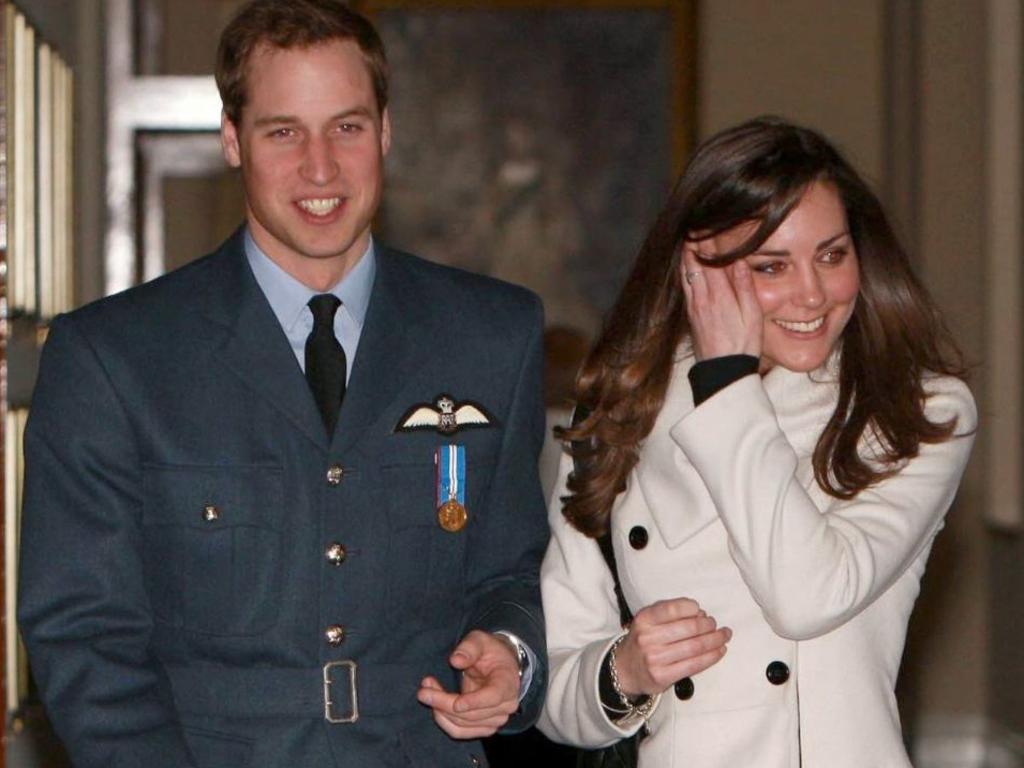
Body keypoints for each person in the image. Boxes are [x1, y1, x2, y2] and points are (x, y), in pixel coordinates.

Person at [17, 2, 549, 766]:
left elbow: (511, 571)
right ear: (232, 140)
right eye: (283, 132)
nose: (321, 167)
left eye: (348, 127)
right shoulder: (114, 358)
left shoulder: (492, 335)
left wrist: (509, 653)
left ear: (386, 130)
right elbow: (83, 638)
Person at [538, 117, 976, 767]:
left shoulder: (918, 411)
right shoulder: (620, 414)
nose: (813, 293)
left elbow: (807, 597)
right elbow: (552, 686)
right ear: (698, 271)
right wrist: (621, 672)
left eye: (832, 254)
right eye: (772, 265)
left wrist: (725, 383)